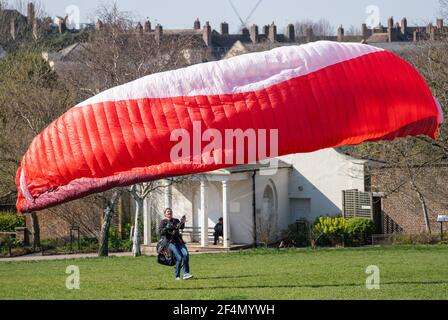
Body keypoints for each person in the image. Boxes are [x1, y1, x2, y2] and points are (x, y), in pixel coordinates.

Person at [158, 208, 193, 281]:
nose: (169, 212)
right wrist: (166, 228)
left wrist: (182, 222)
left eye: (170, 211)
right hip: (170, 242)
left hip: (179, 241)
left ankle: (186, 274)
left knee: (186, 254)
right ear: (165, 214)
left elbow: (181, 227)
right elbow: (160, 232)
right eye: (168, 212)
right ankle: (177, 276)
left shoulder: (175, 220)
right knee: (179, 258)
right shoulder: (163, 222)